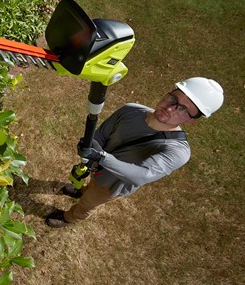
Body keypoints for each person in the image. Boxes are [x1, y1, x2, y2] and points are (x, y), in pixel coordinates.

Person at [45, 77, 224, 228]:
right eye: (173, 99)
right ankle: (82, 190)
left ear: (192, 121)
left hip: (111, 185)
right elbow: (100, 135)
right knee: (90, 187)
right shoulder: (131, 110)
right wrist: (89, 147)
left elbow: (140, 175)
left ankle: (70, 218)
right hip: (95, 167)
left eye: (184, 110)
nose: (170, 108)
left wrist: (100, 156)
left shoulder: (177, 151)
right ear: (167, 93)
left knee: (88, 203)